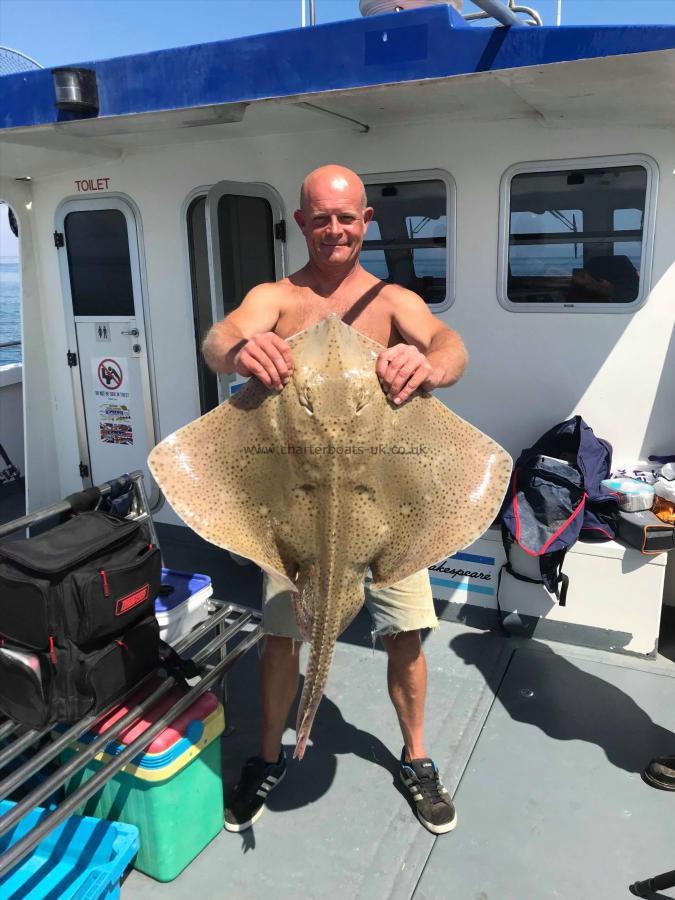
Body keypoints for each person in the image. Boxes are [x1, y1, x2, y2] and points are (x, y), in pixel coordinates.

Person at [202, 164, 468, 836]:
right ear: (300, 224)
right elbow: (218, 338)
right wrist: (240, 352)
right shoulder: (277, 297)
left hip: (384, 504)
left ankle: (416, 756)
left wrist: (430, 365)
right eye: (320, 217)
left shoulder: (391, 300)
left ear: (365, 223)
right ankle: (268, 756)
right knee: (280, 642)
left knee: (405, 635)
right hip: (293, 507)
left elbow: (449, 345)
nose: (333, 229)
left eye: (345, 218)